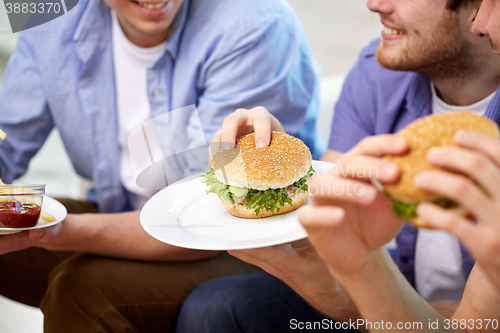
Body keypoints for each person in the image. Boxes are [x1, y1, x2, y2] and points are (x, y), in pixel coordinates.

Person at [175, 0, 500, 331]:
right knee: (213, 307)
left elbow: (474, 324)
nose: (374, 4)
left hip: (446, 314)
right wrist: (279, 166)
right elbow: (325, 222)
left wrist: (357, 286)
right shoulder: (376, 71)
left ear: (476, 8)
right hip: (401, 284)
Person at [0, 0, 324, 331]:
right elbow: (7, 137)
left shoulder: (255, 24)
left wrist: (55, 232)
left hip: (238, 245)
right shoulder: (45, 11)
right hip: (119, 208)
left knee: (82, 291)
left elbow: (203, 219)